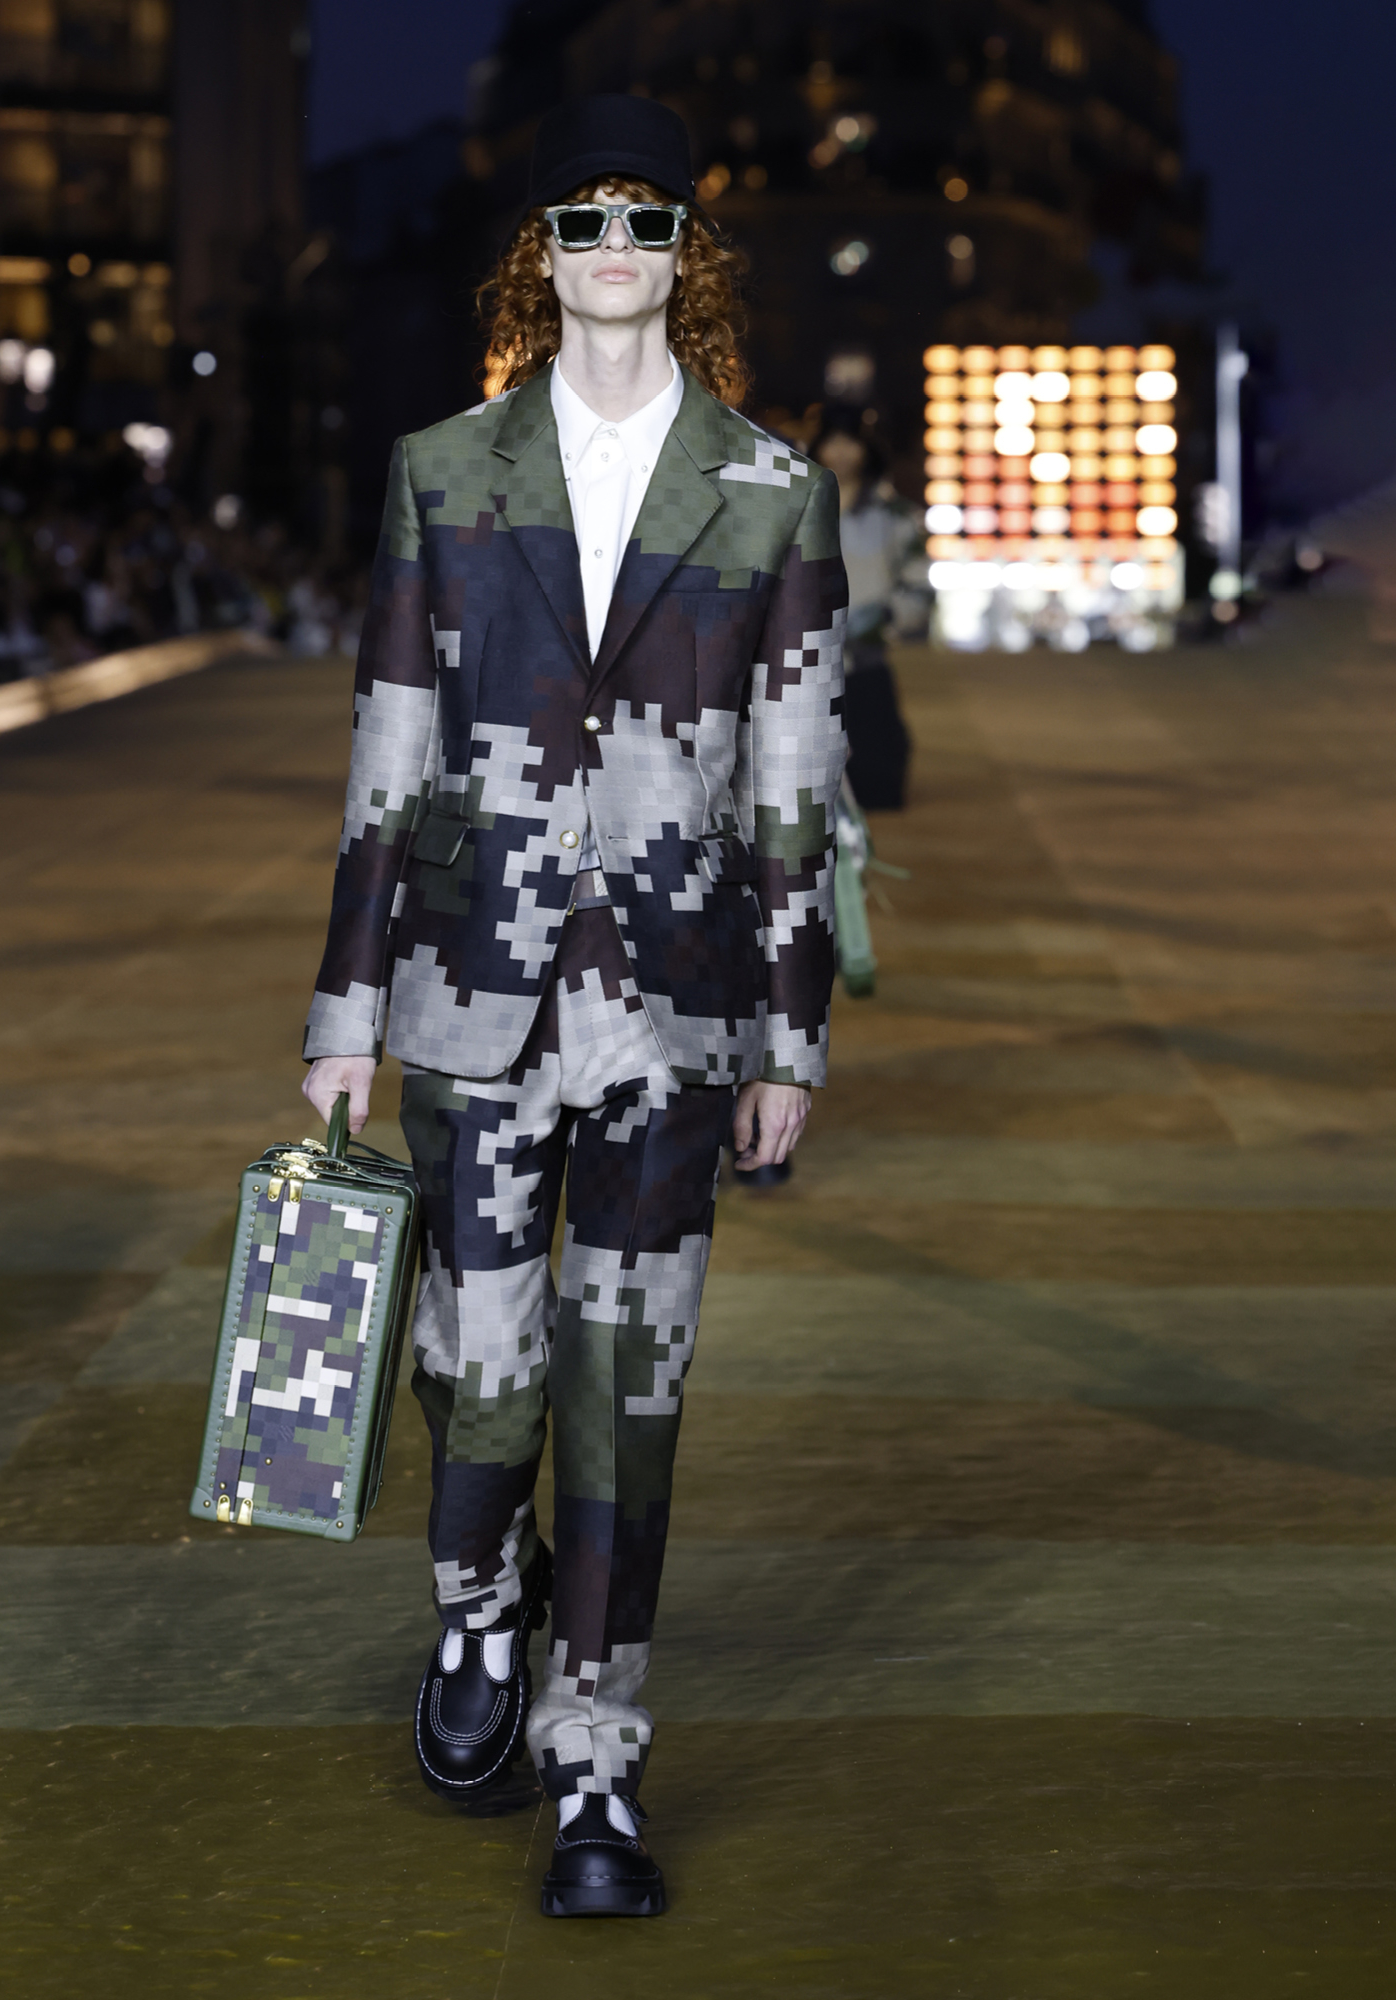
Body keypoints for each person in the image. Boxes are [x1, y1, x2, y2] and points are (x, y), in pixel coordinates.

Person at [301, 94, 845, 1919]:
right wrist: (344, 1003)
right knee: (480, 1372)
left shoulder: (771, 488)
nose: (616, 245)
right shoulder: (444, 469)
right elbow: (388, 740)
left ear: (689, 250)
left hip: (676, 1011)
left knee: (628, 1391)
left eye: (647, 216)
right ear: (541, 249)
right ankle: (477, 1605)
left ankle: (595, 1759)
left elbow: (796, 778)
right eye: (584, 217)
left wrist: (792, 1033)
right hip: (470, 989)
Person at [813, 406, 916, 811]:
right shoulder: (799, 507)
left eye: (850, 442)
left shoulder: (893, 515)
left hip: (866, 657)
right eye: (832, 442)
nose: (840, 453)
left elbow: (919, 581)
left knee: (878, 776)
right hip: (806, 660)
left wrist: (886, 620)